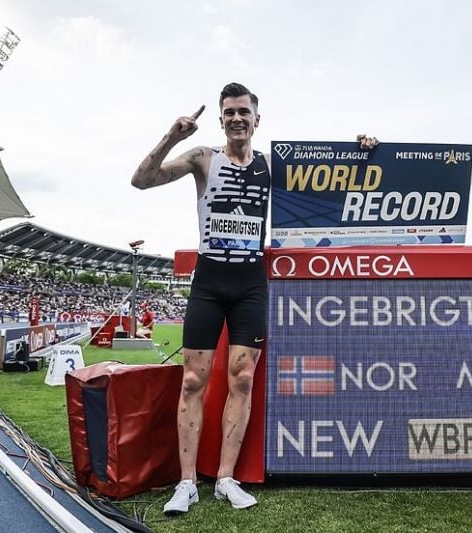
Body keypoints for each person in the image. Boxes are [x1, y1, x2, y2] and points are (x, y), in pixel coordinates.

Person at [131, 82, 377, 514]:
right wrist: (173, 135)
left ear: (257, 120)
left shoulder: (270, 164)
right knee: (193, 380)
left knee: (242, 379)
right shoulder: (203, 158)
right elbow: (141, 180)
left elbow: (326, 180)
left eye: (244, 112)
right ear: (222, 119)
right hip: (209, 279)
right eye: (229, 112)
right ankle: (187, 483)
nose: (236, 118)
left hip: (249, 281)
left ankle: (225, 478)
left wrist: (359, 149)